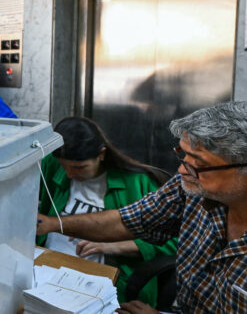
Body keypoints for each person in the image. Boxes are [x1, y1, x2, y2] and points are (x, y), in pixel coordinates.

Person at [37, 102, 247, 313]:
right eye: (182, 154)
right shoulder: (195, 186)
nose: (182, 170)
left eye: (198, 163)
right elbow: (128, 221)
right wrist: (54, 223)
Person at [36, 117, 176, 307]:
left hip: (101, 277)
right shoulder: (52, 166)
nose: (69, 174)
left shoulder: (137, 183)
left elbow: (175, 241)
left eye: (79, 167)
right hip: (50, 267)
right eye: (64, 166)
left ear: (101, 154)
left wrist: (112, 246)